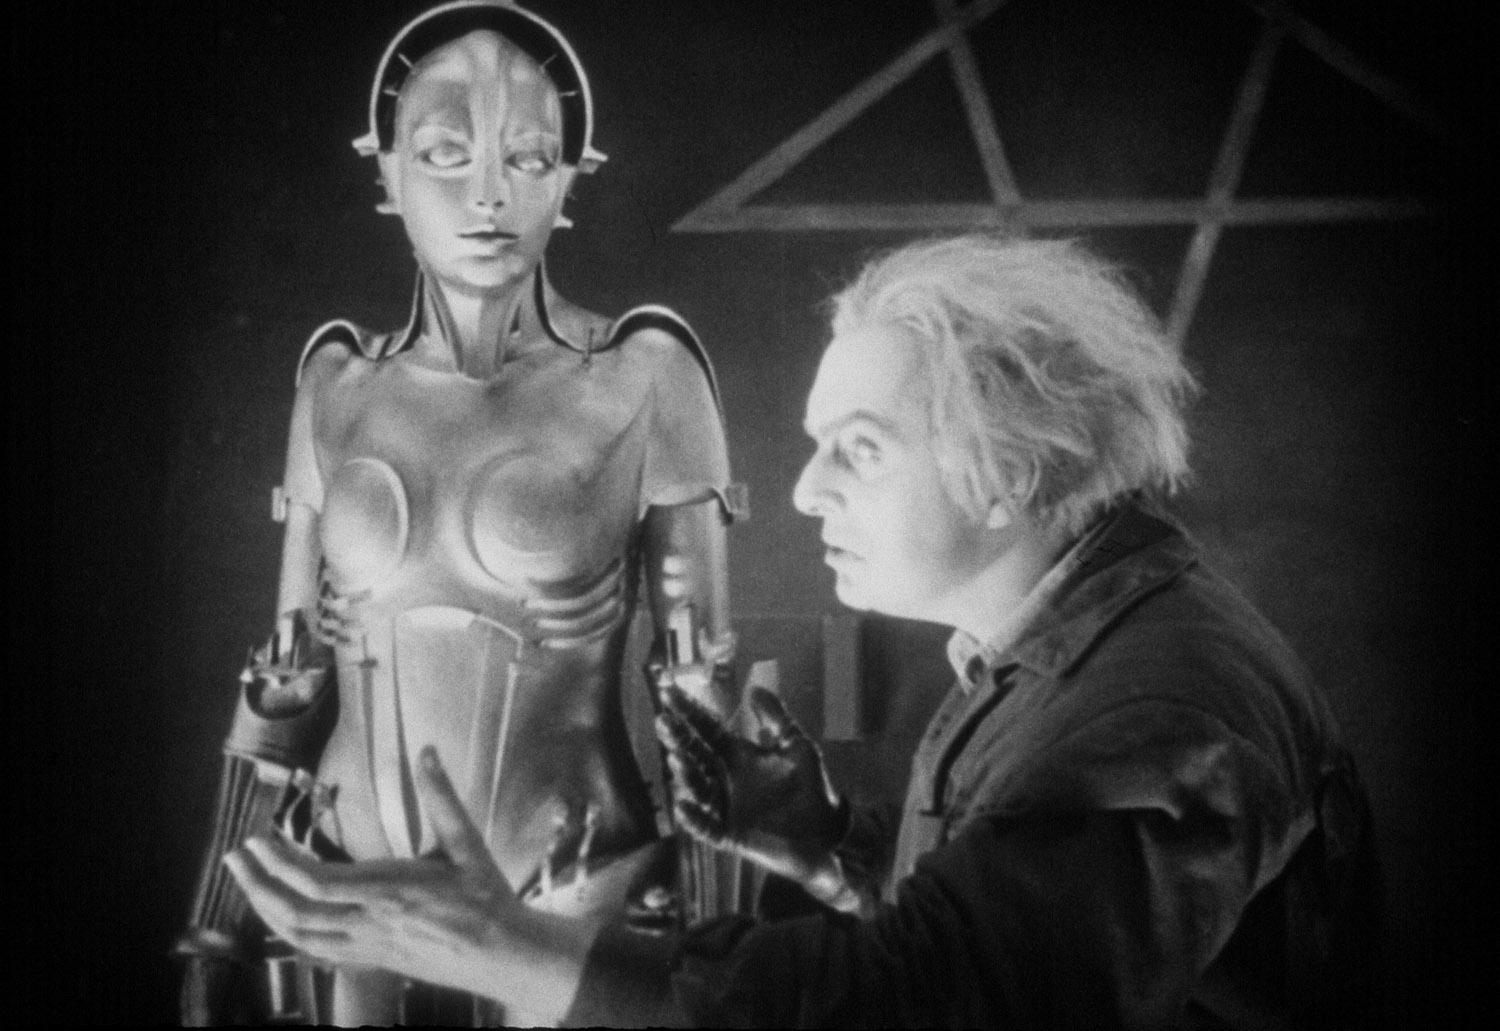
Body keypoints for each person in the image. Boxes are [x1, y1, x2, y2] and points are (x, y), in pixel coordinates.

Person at [224, 233, 1380, 1028]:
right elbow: (1010, 936)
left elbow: (928, 1008)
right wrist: (824, 843)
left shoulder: (1159, 709)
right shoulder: (1062, 653)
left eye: (859, 451)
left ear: (1009, 474)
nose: (807, 490)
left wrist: (512, 952)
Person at [177, 0, 746, 1026]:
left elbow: (700, 696)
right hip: (354, 884)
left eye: (526, 157)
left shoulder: (645, 375)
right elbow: (285, 680)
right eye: (446, 153)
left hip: (573, 886)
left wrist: (718, 969)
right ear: (387, 172)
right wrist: (213, 932)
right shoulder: (336, 383)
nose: (488, 194)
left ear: (567, 178)